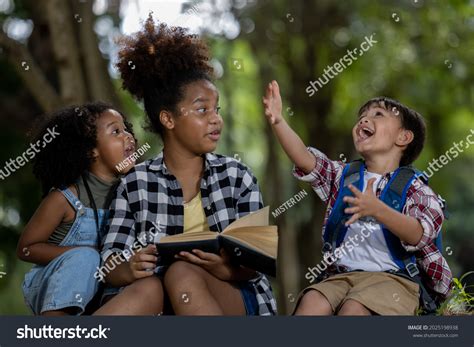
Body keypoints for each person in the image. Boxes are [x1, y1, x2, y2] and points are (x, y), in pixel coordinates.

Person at [96, 16, 276, 316]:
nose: (215, 118)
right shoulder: (135, 184)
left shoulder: (237, 176)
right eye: (201, 109)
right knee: (151, 286)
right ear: (168, 119)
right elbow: (109, 264)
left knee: (180, 272)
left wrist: (227, 268)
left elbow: (258, 262)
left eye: (215, 109)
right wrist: (129, 267)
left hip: (234, 296)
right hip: (161, 301)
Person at [262, 80, 452, 315]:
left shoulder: (416, 189)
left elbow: (419, 234)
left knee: (354, 310)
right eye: (362, 115)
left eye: (378, 114)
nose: (363, 119)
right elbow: (304, 159)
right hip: (341, 277)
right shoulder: (344, 176)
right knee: (310, 303)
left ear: (403, 137)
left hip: (395, 280)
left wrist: (378, 210)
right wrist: (279, 121)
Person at [17, 102, 136, 315]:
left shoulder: (131, 194)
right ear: (91, 151)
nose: (128, 136)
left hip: (102, 288)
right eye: (116, 131)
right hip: (53, 287)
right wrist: (86, 254)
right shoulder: (65, 198)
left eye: (126, 129)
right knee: (86, 258)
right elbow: (26, 249)